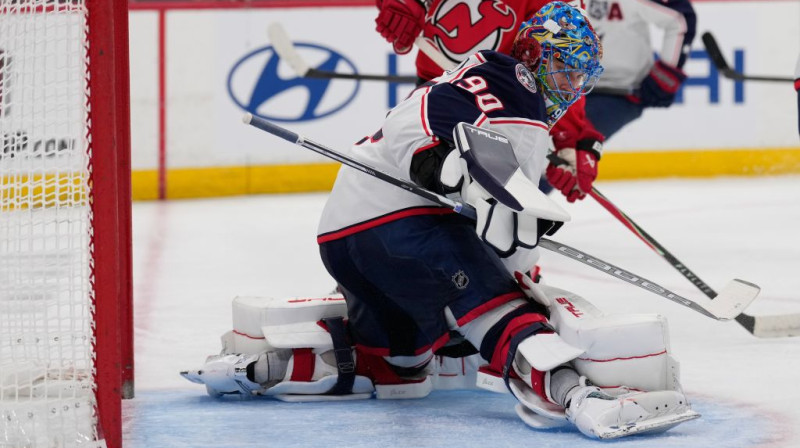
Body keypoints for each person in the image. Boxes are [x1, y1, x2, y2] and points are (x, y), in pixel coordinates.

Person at [182, 3, 699, 439]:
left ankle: (262, 371)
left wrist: (555, 151)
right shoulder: (524, 109)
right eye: (567, 72)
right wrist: (516, 277)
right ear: (537, 56)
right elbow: (500, 218)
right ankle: (572, 394)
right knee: (498, 303)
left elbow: (423, 117)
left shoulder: (481, 70)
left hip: (345, 229)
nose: (570, 88)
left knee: (399, 366)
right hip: (402, 223)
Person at [374, 0, 605, 203]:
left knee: (477, 204)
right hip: (437, 90)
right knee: (409, 189)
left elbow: (567, 56)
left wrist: (569, 138)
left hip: (496, 104)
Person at [582, 0, 696, 138]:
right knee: (558, 142)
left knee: (572, 141)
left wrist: (666, 75)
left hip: (619, 93)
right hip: (562, 92)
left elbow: (679, 17)